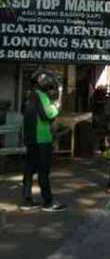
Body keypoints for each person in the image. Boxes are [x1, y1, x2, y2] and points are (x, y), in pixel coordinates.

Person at [21, 70, 66, 212]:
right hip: (42, 138)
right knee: (43, 171)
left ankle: (27, 200)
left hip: (30, 137)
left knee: (29, 170)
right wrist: (56, 107)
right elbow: (48, 114)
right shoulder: (41, 96)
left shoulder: (28, 95)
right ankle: (48, 202)